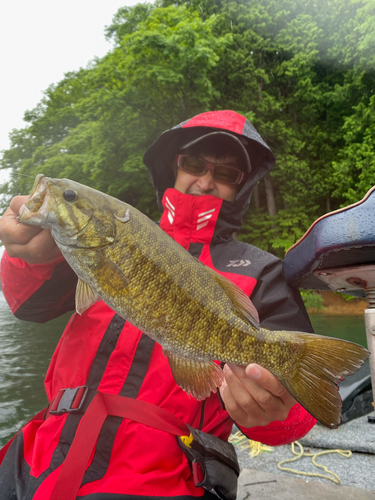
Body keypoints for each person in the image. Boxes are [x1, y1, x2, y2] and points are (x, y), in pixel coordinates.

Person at [0, 110, 316, 500]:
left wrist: (277, 412)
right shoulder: (112, 237)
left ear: (242, 186)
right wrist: (28, 255)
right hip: (39, 457)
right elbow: (28, 304)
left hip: (161, 480)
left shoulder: (261, 271)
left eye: (226, 173)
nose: (205, 180)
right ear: (174, 166)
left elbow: (297, 408)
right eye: (195, 164)